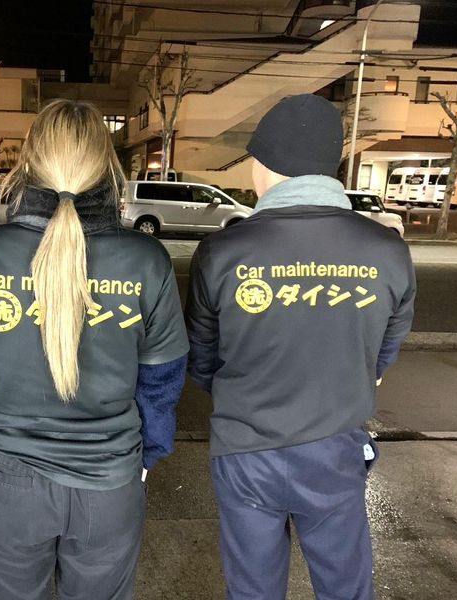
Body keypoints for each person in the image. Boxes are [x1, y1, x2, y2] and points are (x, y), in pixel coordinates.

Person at [0, 99, 189, 600]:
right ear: (106, 164)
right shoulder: (146, 259)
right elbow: (161, 381)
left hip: (11, 480)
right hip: (111, 483)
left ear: (30, 161)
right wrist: (147, 456)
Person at [185, 94, 416, 600]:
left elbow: (202, 357)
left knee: (253, 588)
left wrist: (245, 394)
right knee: (345, 587)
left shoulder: (223, 250)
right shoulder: (386, 249)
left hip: (245, 448)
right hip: (334, 447)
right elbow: (383, 352)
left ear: (265, 163)